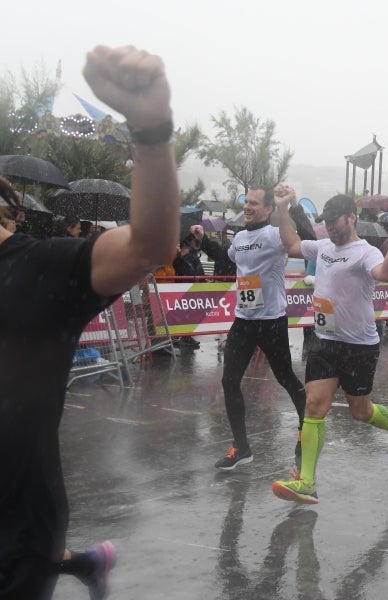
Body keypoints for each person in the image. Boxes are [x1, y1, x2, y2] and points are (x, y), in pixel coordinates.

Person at [0, 45, 179, 599]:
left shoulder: (35, 267)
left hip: (13, 537)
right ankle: (87, 562)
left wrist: (150, 130)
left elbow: (149, 243)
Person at [270, 192, 388, 505]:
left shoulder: (366, 252)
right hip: (324, 341)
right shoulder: (322, 247)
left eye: (334, 221)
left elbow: (387, 274)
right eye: (326, 223)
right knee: (314, 406)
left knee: (360, 412)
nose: (330, 228)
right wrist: (282, 209)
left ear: (351, 217)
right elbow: (292, 245)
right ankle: (307, 481)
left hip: (359, 346)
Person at [212, 185, 309, 472]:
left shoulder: (275, 235)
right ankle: (241, 447)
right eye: (247, 202)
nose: (248, 207)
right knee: (229, 381)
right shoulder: (240, 237)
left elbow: (307, 241)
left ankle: (306, 432)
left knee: (286, 379)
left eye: (255, 203)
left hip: (271, 322)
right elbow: (226, 259)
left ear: (268, 208)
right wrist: (201, 242)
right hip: (243, 321)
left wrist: (291, 206)